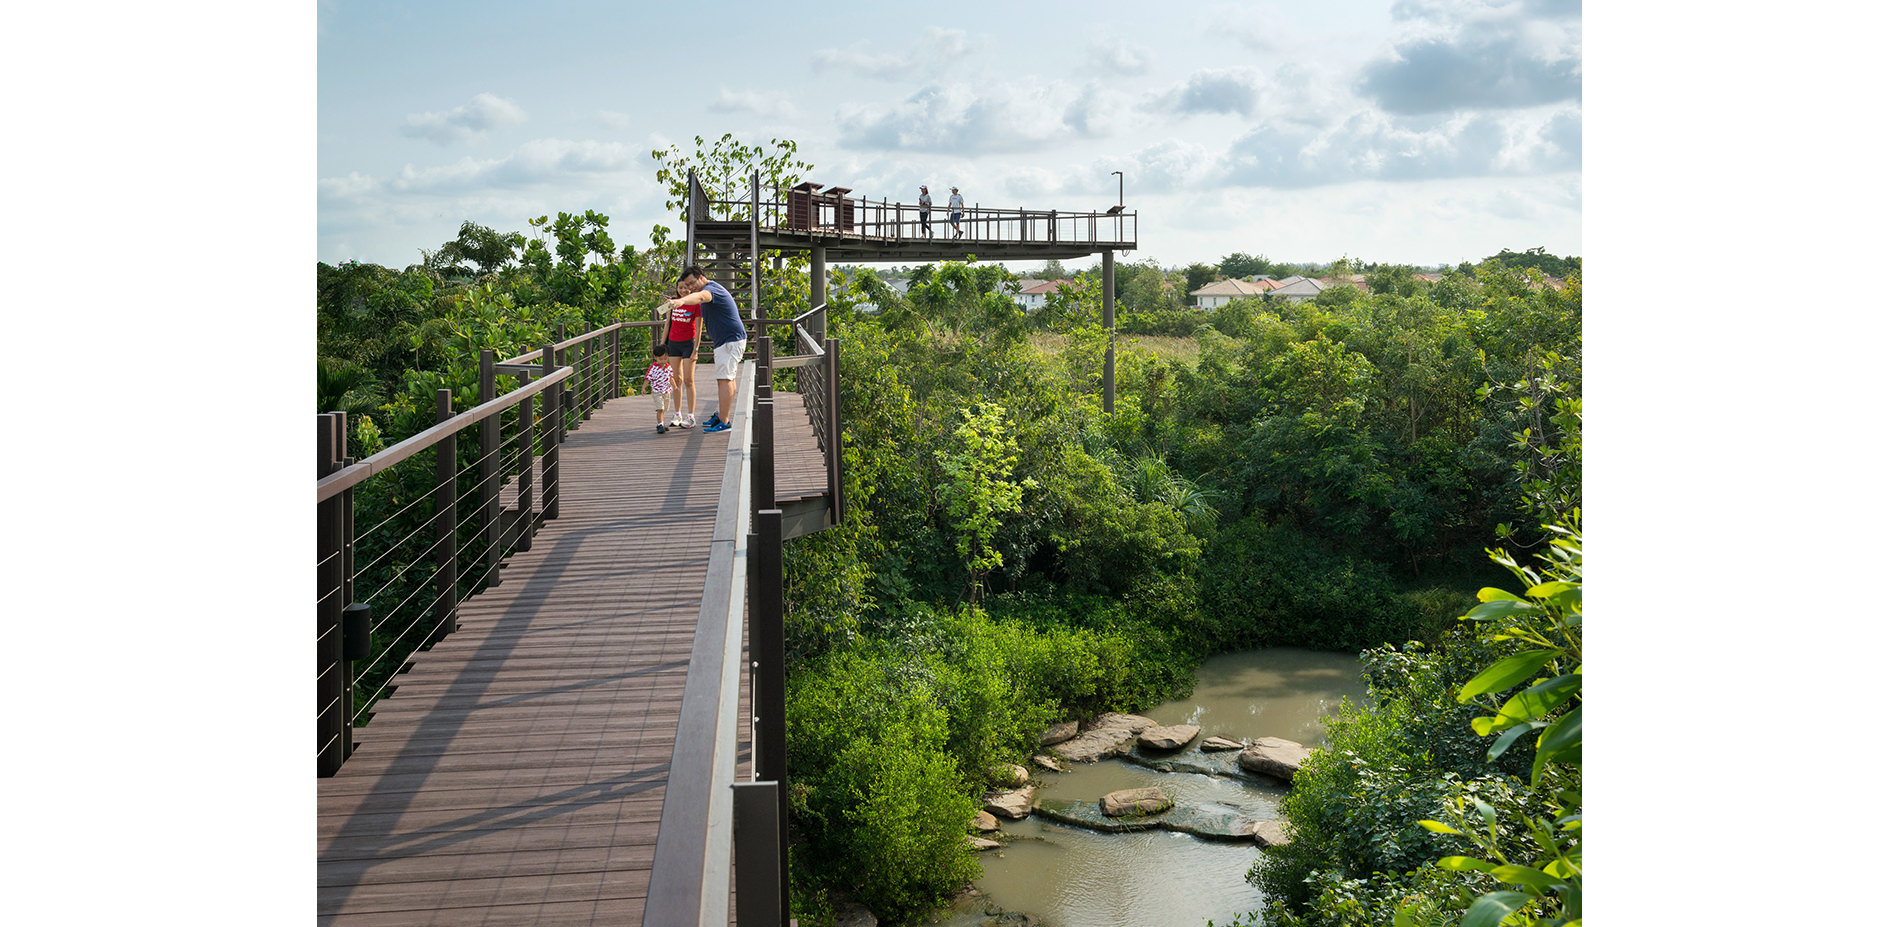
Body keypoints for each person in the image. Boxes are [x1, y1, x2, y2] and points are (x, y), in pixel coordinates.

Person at [655, 264, 746, 434]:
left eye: (692, 283)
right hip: (726, 341)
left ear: (701, 277)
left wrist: (680, 301)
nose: (690, 288)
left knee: (724, 380)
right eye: (687, 285)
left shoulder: (711, 290)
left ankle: (724, 422)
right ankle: (721, 415)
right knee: (727, 379)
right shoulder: (711, 289)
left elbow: (701, 297)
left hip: (730, 341)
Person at [660, 279, 701, 427]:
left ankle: (691, 416)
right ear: (677, 289)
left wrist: (696, 350)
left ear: (691, 289)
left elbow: (699, 328)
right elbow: (667, 322)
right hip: (673, 343)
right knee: (676, 380)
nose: (683, 290)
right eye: (680, 288)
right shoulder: (672, 302)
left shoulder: (695, 304)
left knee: (689, 380)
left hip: (688, 344)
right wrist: (662, 344)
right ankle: (677, 414)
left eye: (686, 288)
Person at [642, 343, 674, 434]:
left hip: (666, 391)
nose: (663, 361)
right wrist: (644, 388)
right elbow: (647, 378)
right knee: (660, 408)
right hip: (657, 391)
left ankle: (662, 424)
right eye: (660, 359)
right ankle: (660, 424)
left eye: (665, 358)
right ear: (655, 357)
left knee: (663, 408)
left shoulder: (668, 367)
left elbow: (671, 378)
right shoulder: (653, 368)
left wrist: (675, 386)